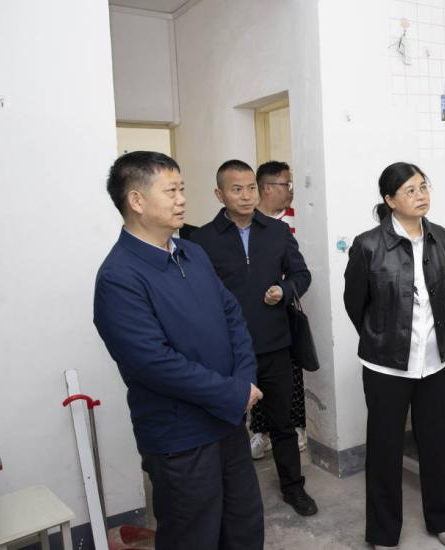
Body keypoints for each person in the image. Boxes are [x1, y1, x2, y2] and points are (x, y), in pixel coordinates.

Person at [93, 151, 264, 549]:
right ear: (137, 201)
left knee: (243, 525)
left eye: (182, 189)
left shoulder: (193, 252)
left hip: (228, 421)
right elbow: (153, 364)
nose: (182, 200)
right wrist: (233, 392)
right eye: (171, 191)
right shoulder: (119, 277)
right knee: (194, 536)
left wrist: (244, 381)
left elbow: (233, 316)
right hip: (180, 438)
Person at [190, 159, 317, 517]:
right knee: (229, 427)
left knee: (282, 423)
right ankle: (232, 496)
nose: (246, 196)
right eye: (236, 189)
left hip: (275, 344)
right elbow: (196, 294)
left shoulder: (277, 232)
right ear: (219, 194)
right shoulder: (201, 241)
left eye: (251, 188)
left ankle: (293, 487)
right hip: (227, 352)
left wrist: (285, 290)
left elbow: (302, 274)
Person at [343, 162, 445, 550]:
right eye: (410, 190)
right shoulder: (368, 245)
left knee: (435, 444)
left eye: (423, 186)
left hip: (436, 360)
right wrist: (381, 337)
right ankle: (383, 533)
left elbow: (439, 295)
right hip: (386, 365)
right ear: (390, 200)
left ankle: (441, 519)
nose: (421, 195)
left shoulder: (442, 237)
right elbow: (355, 303)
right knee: (385, 449)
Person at [257, 160, 308, 454]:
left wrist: (286, 290)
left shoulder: (297, 220)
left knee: (291, 372)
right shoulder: (248, 223)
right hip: (256, 313)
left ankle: (296, 426)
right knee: (256, 373)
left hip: (287, 308)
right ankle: (260, 431)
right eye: (286, 184)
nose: (291, 190)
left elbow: (301, 269)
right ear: (267, 188)